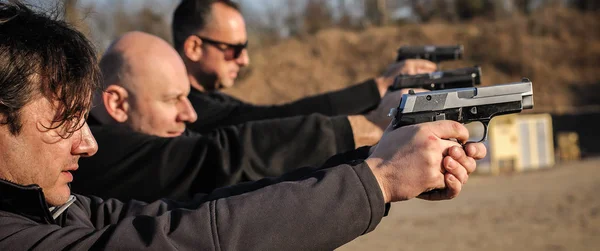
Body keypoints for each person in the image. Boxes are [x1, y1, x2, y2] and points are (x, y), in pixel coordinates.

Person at [0, 2, 486, 250]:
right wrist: (377, 175)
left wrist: (372, 169)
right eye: (65, 122)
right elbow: (197, 231)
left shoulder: (54, 206)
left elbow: (200, 210)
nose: (87, 144)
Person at [76, 31, 415, 202]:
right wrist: (370, 127)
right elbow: (221, 158)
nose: (190, 113)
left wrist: (372, 162)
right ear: (117, 104)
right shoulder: (90, 154)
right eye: (173, 99)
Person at [171, 0, 438, 132]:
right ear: (194, 47)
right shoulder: (187, 111)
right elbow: (274, 121)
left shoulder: (212, 100)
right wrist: (378, 88)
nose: (244, 60)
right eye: (233, 49)